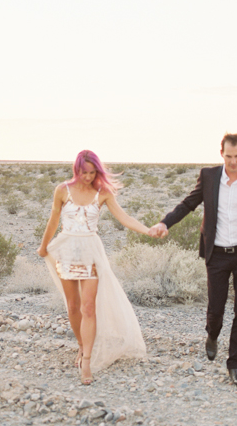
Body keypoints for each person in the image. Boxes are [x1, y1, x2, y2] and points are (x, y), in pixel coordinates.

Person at [149, 133, 237, 388]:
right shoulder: (210, 177)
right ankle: (212, 335)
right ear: (221, 153)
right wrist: (165, 222)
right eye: (228, 156)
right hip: (217, 254)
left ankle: (235, 364)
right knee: (215, 310)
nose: (233, 162)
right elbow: (188, 204)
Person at [37, 150, 151, 384]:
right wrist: (43, 246)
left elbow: (124, 218)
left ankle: (87, 360)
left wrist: (148, 231)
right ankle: (81, 345)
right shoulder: (62, 190)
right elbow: (53, 220)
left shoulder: (103, 192)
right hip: (66, 251)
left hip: (91, 253)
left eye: (92, 173)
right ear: (75, 169)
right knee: (73, 305)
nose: (88, 177)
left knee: (88, 307)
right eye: (83, 172)